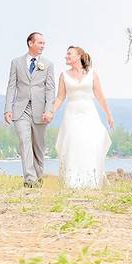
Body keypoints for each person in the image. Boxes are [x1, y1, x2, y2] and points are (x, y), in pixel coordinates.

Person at [51, 45, 115, 188]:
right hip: (71, 112)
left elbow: (100, 96)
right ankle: (72, 181)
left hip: (89, 112)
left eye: (69, 54)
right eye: (66, 54)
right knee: (72, 143)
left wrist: (109, 115)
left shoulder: (92, 74)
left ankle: (91, 180)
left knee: (90, 143)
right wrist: (51, 112)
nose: (66, 56)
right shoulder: (63, 75)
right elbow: (60, 97)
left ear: (79, 55)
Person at [4, 32, 55, 188]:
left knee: (38, 146)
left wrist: (49, 110)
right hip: (21, 110)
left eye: (44, 44)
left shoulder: (48, 64)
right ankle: (30, 179)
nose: (42, 46)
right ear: (30, 43)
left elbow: (50, 89)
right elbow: (11, 86)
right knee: (24, 141)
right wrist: (8, 108)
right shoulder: (16, 63)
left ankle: (39, 176)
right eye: (40, 43)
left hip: (40, 110)